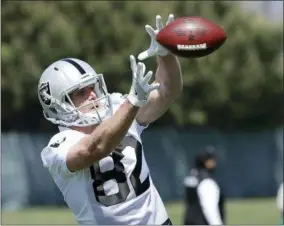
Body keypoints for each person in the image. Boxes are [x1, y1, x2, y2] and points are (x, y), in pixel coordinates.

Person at [38, 14, 182, 225]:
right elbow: (93, 149)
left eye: (92, 87)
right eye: (80, 93)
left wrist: (167, 55)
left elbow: (168, 92)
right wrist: (133, 102)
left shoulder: (117, 108)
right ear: (59, 105)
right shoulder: (59, 147)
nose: (93, 95)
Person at [183, 146, 225, 225]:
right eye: (212, 159)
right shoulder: (207, 182)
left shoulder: (190, 178)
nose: (214, 162)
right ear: (205, 161)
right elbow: (210, 210)